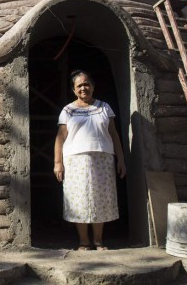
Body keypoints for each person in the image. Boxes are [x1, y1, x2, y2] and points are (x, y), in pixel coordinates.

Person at [53, 69, 126, 251]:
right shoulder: (68, 110)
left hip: (102, 159)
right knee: (80, 201)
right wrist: (58, 163)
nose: (83, 88)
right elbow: (61, 137)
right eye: (79, 85)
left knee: (100, 200)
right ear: (74, 89)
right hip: (75, 161)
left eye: (86, 84)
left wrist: (121, 160)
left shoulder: (104, 107)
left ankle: (99, 241)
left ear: (93, 86)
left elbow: (114, 134)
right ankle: (84, 241)